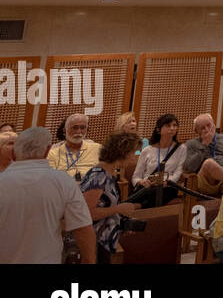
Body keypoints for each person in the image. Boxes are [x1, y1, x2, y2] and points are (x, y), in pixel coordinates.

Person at [0, 127, 95, 264]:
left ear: (14, 154)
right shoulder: (64, 181)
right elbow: (82, 228)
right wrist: (89, 260)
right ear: (47, 151)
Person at [79, 131, 143, 263]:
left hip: (103, 242)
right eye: (133, 153)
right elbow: (86, 212)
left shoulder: (108, 175)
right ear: (124, 152)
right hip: (94, 243)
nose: (133, 158)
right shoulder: (99, 176)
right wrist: (118, 209)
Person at [182, 113, 223, 195]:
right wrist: (204, 145)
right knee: (209, 163)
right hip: (206, 182)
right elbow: (188, 169)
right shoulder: (190, 144)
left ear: (214, 125)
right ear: (196, 131)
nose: (207, 130)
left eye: (208, 125)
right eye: (202, 128)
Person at [131, 113, 184, 204]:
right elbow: (135, 177)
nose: (172, 128)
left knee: (154, 193)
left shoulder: (181, 150)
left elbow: (178, 176)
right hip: (147, 187)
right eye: (168, 125)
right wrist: (143, 182)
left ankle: (136, 207)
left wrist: (167, 181)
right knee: (148, 192)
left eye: (174, 125)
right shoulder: (147, 150)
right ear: (159, 130)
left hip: (167, 188)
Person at [47, 113, 101, 180]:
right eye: (75, 128)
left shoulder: (97, 148)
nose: (79, 131)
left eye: (83, 128)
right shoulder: (53, 152)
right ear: (64, 130)